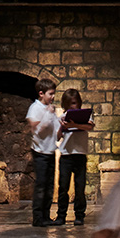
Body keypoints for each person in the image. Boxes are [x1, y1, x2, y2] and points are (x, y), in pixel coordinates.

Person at [53, 89, 92, 226]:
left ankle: (79, 215)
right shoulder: (62, 117)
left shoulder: (85, 116)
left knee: (79, 187)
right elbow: (57, 137)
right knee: (63, 187)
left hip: (80, 155)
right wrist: (62, 127)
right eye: (69, 104)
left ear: (79, 103)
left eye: (74, 103)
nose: (72, 107)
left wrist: (74, 125)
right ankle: (61, 215)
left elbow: (90, 127)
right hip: (66, 155)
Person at [25, 77, 61, 227]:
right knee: (41, 185)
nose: (53, 97)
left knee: (50, 186)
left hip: (50, 151)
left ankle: (46, 216)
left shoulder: (50, 109)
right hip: (40, 152)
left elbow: (56, 131)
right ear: (41, 93)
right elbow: (37, 128)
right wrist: (48, 114)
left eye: (53, 94)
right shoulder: (36, 107)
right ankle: (38, 218)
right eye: (50, 94)